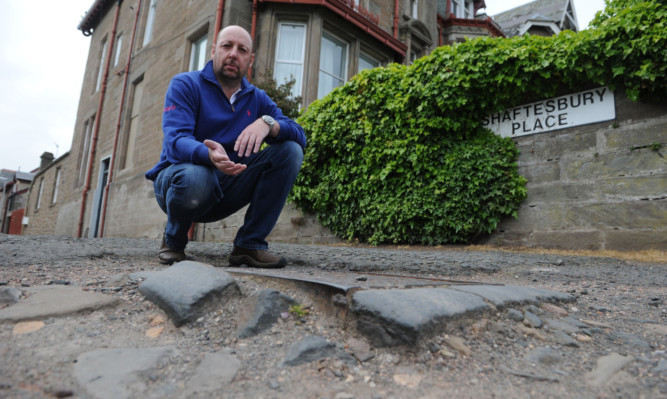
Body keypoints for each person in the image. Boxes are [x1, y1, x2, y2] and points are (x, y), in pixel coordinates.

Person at [145, 25, 306, 268]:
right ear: (213, 51)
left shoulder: (257, 99)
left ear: (249, 60)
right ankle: (174, 240)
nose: (233, 54)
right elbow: (175, 141)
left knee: (290, 151)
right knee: (198, 175)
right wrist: (207, 155)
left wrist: (267, 123)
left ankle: (249, 246)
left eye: (242, 50)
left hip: (228, 186)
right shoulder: (186, 84)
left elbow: (300, 134)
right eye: (227, 46)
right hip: (181, 183)